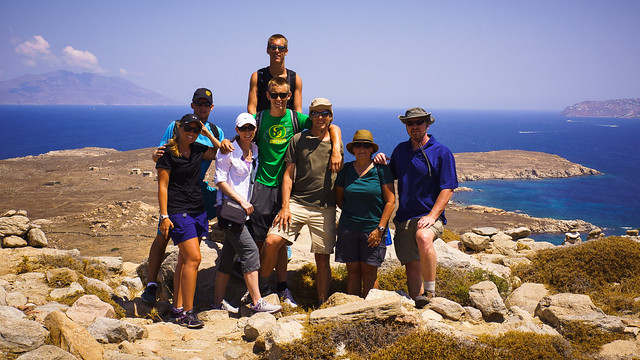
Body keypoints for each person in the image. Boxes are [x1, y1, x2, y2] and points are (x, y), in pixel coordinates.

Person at [242, 78, 342, 308]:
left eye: (325, 113)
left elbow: (334, 129)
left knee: (322, 258)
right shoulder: (297, 138)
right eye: (316, 113)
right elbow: (246, 139)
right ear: (267, 96)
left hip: (323, 207)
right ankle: (263, 289)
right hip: (279, 192)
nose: (320, 118)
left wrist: (336, 148)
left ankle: (321, 304)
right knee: (271, 241)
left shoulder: (324, 134)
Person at [141, 88, 226, 304]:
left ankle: (181, 296)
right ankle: (151, 284)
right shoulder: (176, 126)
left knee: (192, 243)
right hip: (176, 192)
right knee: (164, 234)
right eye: (198, 103)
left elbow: (221, 155)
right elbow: (161, 154)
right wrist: (153, 155)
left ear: (211, 107)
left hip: (198, 191)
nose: (202, 107)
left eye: (206, 104)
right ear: (192, 105)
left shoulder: (216, 131)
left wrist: (207, 133)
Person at [211, 113, 282, 314]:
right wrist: (241, 201)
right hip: (231, 210)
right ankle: (257, 301)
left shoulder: (256, 150)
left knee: (227, 256)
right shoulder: (228, 152)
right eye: (243, 129)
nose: (247, 132)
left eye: (250, 128)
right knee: (250, 252)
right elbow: (220, 181)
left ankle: (216, 303)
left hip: (244, 212)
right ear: (237, 130)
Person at [388, 107, 458, 309]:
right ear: (406, 127)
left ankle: (430, 291)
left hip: (428, 216)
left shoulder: (441, 152)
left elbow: (448, 188)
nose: (414, 126)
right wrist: (380, 160)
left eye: (419, 122)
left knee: (423, 237)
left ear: (427, 124)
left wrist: (432, 216)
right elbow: (390, 174)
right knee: (411, 265)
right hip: (404, 218)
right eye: (410, 123)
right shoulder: (400, 150)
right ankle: (420, 304)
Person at [156, 113, 220, 328]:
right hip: (178, 212)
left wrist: (207, 133)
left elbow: (221, 151)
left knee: (184, 261)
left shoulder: (197, 150)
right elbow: (162, 187)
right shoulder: (168, 154)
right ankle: (189, 313)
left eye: (195, 129)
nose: (191, 133)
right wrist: (164, 216)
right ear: (179, 128)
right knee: (194, 258)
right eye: (188, 129)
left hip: (198, 211)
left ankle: (177, 309)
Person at [335, 130, 395, 298]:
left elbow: (390, 201)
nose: (362, 148)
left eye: (366, 145)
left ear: (371, 149)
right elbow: (339, 199)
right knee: (353, 272)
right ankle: (353, 309)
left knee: (369, 273)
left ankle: (371, 309)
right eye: (358, 145)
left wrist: (380, 229)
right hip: (348, 229)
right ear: (353, 149)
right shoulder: (346, 170)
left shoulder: (381, 171)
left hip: (373, 229)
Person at [247, 34, 302, 114]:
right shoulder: (257, 77)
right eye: (273, 48)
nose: (277, 51)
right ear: (267, 50)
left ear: (286, 51)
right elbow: (251, 107)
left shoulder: (295, 79)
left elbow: (298, 110)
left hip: (286, 125)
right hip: (262, 124)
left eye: (281, 48)